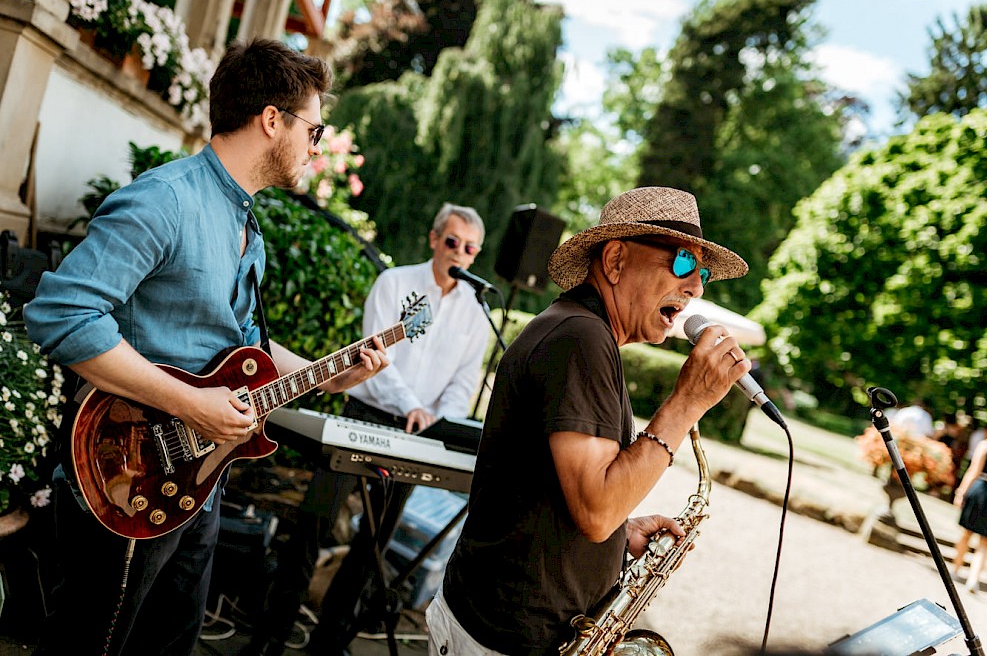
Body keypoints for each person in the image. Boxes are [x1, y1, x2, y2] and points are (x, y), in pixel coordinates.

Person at [23, 38, 388, 655]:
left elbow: (242, 348)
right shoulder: (165, 198)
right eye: (314, 130)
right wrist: (189, 404)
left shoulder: (248, 226)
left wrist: (330, 374)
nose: (315, 147)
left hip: (198, 481)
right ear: (273, 120)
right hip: (124, 471)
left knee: (170, 645)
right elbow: (62, 315)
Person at [427, 186, 751, 654]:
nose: (696, 286)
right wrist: (686, 404)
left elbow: (568, 497)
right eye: (682, 262)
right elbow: (598, 510)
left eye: (702, 272)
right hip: (501, 638)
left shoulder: (583, 332)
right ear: (616, 260)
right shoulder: (580, 338)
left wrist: (619, 537)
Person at [243, 203, 491, 655]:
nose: (460, 253)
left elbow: (463, 380)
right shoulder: (395, 284)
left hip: (420, 434)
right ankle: (268, 640)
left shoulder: (475, 312)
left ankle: (327, 644)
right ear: (435, 239)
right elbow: (377, 355)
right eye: (452, 241)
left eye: (470, 247)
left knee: (371, 549)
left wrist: (440, 420)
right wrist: (412, 403)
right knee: (313, 526)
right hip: (365, 414)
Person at [951, 422, 987, 593]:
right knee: (984, 542)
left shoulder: (985, 446)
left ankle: (956, 570)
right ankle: (973, 579)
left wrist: (961, 492)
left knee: (966, 534)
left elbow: (973, 471)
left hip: (980, 491)